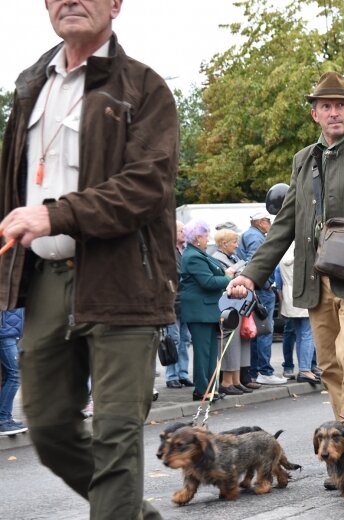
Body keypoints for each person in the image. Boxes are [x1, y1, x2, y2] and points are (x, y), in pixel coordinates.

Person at [0, 1, 178, 517]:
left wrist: (55, 216)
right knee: (48, 426)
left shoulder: (144, 87)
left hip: (125, 281)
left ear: (116, 4)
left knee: (116, 433)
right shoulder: (31, 83)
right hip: (48, 278)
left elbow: (148, 186)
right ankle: (132, 512)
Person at [225, 72, 344, 447]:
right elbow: (284, 224)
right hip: (315, 277)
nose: (334, 113)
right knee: (329, 363)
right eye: (326, 106)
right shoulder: (304, 160)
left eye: (341, 106)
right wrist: (250, 276)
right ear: (315, 114)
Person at [180, 221, 234, 401]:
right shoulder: (193, 256)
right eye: (205, 236)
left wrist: (225, 274)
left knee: (211, 352)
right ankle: (202, 389)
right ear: (197, 238)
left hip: (207, 309)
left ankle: (211, 387)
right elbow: (208, 282)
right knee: (203, 353)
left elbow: (215, 274)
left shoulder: (198, 254)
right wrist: (228, 278)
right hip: (200, 310)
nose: (207, 239)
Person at [238, 209, 286, 386]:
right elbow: (255, 262)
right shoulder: (257, 238)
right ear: (260, 222)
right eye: (268, 220)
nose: (270, 224)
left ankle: (254, 370)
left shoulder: (248, 235)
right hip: (262, 290)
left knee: (254, 331)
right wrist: (265, 284)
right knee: (264, 330)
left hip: (257, 288)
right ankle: (264, 370)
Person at [211, 228, 254, 395]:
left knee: (239, 343)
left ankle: (236, 380)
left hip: (239, 304)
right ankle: (227, 382)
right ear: (224, 244)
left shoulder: (234, 257)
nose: (237, 245)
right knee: (229, 344)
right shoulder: (217, 259)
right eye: (234, 242)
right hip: (227, 306)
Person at [277, 243, 320, 384]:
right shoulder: (302, 252)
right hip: (304, 293)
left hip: (290, 296)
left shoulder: (284, 252)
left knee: (299, 334)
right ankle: (305, 369)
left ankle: (303, 368)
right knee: (307, 334)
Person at [165, 220, 195, 389]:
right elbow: (176, 274)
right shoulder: (168, 251)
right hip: (173, 302)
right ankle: (172, 376)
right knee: (173, 339)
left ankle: (183, 373)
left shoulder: (184, 250)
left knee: (185, 339)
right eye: (181, 230)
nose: (184, 233)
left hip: (186, 302)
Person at [0, 309, 27, 436]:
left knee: (8, 376)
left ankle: (6, 417)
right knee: (15, 375)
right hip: (5, 332)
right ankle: (3, 420)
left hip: (13, 331)